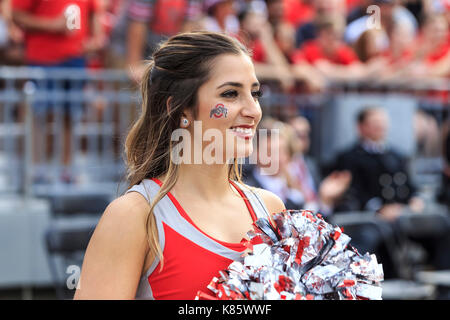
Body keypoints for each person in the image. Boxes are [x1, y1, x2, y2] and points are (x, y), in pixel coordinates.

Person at [74, 31, 286, 299]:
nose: (253, 110)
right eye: (231, 94)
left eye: (255, 93)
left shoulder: (269, 209)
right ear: (180, 109)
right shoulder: (135, 216)